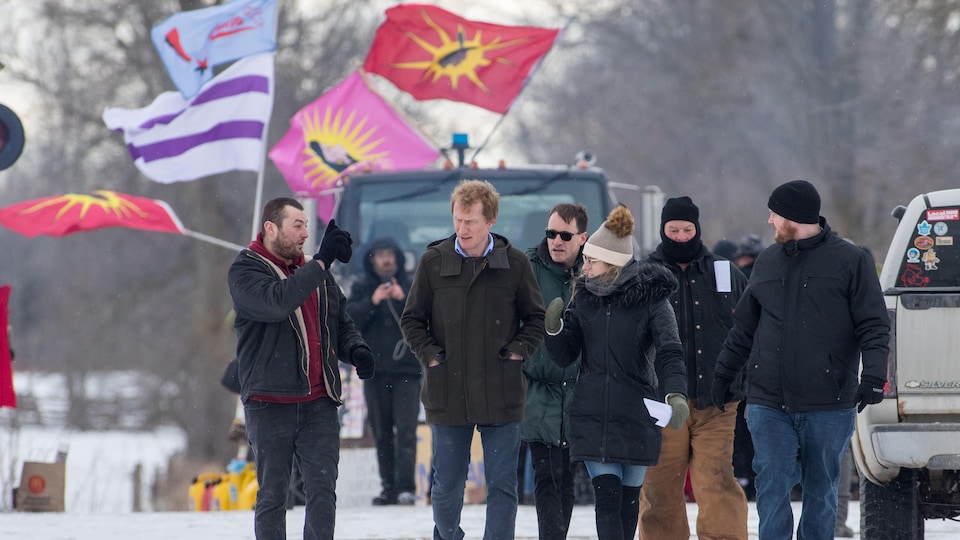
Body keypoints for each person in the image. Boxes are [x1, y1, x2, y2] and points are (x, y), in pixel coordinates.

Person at [711, 180, 890, 540]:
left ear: (792, 217)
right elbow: (743, 328)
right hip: (768, 400)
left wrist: (873, 376)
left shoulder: (851, 261)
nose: (769, 221)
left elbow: (874, 324)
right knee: (772, 484)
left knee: (821, 490)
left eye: (774, 214)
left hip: (828, 400)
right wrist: (722, 375)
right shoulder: (767, 260)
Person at [400, 179, 546, 540]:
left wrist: (517, 351)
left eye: (471, 222)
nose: (462, 229)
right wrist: (431, 356)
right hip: (448, 389)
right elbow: (412, 319)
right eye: (458, 220)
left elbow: (536, 319)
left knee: (502, 487)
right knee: (446, 487)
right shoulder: (434, 261)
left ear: (490, 221)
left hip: (502, 389)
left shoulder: (515, 263)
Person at [228, 197, 376, 540]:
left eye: (307, 226)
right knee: (273, 494)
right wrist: (322, 262)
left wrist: (357, 350)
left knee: (323, 491)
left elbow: (340, 322)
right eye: (297, 226)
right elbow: (277, 302)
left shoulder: (315, 272)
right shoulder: (245, 270)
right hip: (269, 401)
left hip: (318, 401)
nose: (306, 234)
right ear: (271, 228)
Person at [543, 205, 691, 540]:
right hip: (592, 413)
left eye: (591, 261)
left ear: (612, 264)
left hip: (636, 412)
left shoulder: (652, 300)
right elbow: (565, 355)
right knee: (607, 499)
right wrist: (554, 330)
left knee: (628, 502)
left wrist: (676, 394)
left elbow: (670, 351)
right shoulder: (583, 297)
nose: (584, 266)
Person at [639, 196, 749, 540]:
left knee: (717, 482)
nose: (681, 237)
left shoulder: (724, 271)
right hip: (661, 402)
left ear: (697, 229)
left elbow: (749, 328)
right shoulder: (644, 274)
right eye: (674, 230)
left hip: (717, 401)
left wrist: (743, 378)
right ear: (663, 230)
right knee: (659, 490)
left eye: (687, 229)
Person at [522, 202, 589, 540]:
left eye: (565, 235)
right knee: (547, 475)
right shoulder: (527, 268)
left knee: (567, 479)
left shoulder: (593, 270)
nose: (556, 241)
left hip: (579, 390)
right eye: (551, 234)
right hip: (538, 387)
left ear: (582, 238)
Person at [347, 237, 421, 506]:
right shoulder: (361, 287)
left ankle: (406, 488)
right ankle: (388, 488)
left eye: (390, 254)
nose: (386, 260)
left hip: (407, 372)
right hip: (374, 372)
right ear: (373, 260)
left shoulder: (412, 286)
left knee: (407, 430)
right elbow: (348, 320)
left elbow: (426, 319)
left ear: (398, 259)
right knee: (382, 432)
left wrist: (403, 301)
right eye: (381, 255)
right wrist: (373, 301)